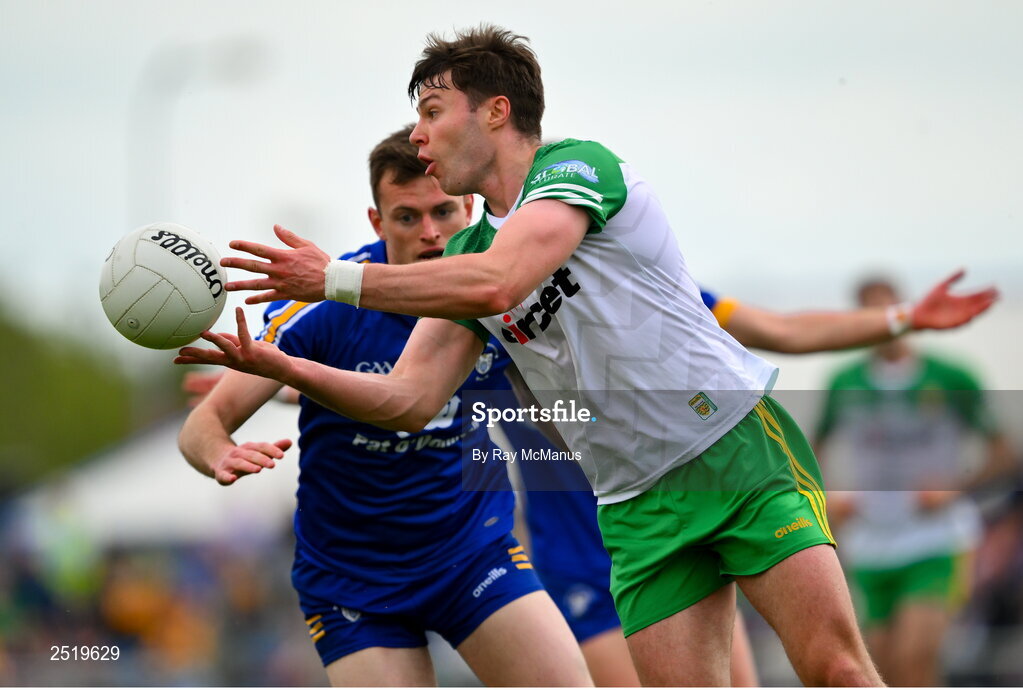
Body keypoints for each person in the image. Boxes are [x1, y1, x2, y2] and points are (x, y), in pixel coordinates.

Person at [177, 26, 992, 685]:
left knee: (836, 669)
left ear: (496, 112)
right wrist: (283, 369)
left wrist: (335, 279)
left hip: (733, 454)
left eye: (432, 109)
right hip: (633, 506)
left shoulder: (576, 169)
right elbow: (407, 398)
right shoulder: (461, 255)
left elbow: (504, 279)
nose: (418, 134)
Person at [177, 125, 591, 687]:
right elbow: (204, 424)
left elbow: (554, 401)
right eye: (406, 217)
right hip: (353, 579)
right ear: (377, 222)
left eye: (443, 213)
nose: (430, 233)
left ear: (469, 206)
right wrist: (219, 453)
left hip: (472, 550)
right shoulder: (322, 308)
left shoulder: (495, 289)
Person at [511, 278, 998, 687]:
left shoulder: (635, 278)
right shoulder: (487, 315)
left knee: (869, 667)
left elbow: (779, 328)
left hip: (724, 499)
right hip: (596, 551)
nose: (433, 234)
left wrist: (902, 317)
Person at [814, 277, 1014, 687]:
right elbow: (809, 454)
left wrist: (955, 487)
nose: (882, 322)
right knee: (879, 668)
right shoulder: (844, 383)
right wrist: (827, 499)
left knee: (915, 656)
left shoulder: (950, 376)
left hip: (935, 539)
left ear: (905, 309)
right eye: (869, 313)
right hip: (870, 543)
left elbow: (1004, 453)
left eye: (888, 310)